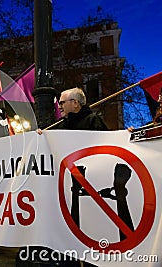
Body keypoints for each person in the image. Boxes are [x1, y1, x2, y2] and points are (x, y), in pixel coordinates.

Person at [34, 87, 103, 267]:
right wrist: (42, 138)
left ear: (75, 103)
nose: (59, 106)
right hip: (66, 190)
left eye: (62, 102)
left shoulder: (93, 121)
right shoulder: (60, 126)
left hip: (89, 191)